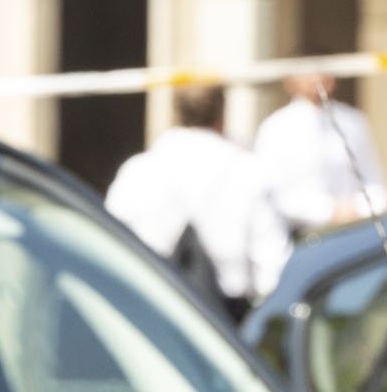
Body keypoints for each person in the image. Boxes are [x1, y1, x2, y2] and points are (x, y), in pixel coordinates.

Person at [102, 81, 292, 321]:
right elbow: (273, 272)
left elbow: (109, 249)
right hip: (226, 325)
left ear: (176, 113)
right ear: (221, 115)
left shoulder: (136, 171)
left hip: (148, 318)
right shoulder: (250, 173)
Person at [251, 72, 387, 236]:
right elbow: (271, 195)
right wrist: (329, 211)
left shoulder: (353, 121)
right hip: (298, 237)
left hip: (353, 232)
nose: (317, 77)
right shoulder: (275, 127)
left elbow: (375, 183)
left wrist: (357, 208)